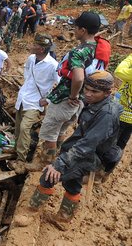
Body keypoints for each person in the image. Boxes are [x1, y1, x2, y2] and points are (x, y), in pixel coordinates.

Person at [29, 70, 121, 221]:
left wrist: (60, 164)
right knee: (73, 182)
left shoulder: (106, 114)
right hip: (84, 151)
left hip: (90, 156)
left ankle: (30, 213)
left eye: (94, 91)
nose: (88, 94)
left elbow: (87, 145)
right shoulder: (95, 103)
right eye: (86, 89)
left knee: (48, 176)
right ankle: (64, 217)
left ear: (107, 93)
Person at [34, 12, 101, 170]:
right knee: (62, 129)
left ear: (83, 30)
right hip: (79, 102)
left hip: (65, 100)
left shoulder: (79, 52)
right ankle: (57, 159)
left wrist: (73, 95)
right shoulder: (96, 48)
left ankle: (44, 165)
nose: (74, 31)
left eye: (76, 28)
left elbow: (78, 78)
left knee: (50, 132)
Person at [9, 34, 59, 173]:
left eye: (35, 45)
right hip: (23, 97)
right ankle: (15, 150)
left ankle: (21, 159)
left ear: (42, 49)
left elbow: (61, 84)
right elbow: (26, 71)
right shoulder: (31, 58)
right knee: (18, 127)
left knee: (25, 127)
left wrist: (48, 99)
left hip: (35, 102)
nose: (31, 46)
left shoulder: (53, 65)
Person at [115, 54, 132, 149]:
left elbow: (118, 71)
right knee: (121, 143)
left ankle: (101, 163)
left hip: (122, 113)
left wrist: (130, 58)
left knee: (110, 142)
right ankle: (112, 162)